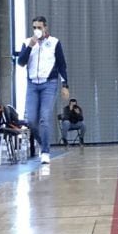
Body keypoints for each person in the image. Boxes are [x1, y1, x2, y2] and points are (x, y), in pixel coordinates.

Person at [16, 16, 70, 165]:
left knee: (45, 118)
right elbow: (20, 62)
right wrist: (30, 47)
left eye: (39, 27)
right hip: (32, 84)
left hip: (49, 83)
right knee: (31, 120)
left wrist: (65, 85)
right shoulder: (27, 42)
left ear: (45, 28)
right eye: (34, 27)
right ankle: (43, 143)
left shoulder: (54, 43)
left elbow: (61, 65)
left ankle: (45, 152)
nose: (37, 30)